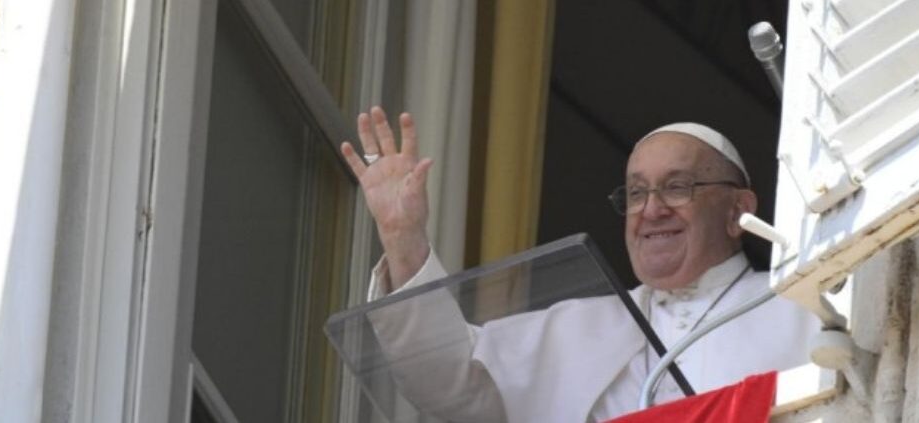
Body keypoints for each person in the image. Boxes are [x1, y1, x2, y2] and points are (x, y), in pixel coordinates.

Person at [339, 106, 819, 422]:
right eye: (636, 193)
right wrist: (403, 238)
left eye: (677, 187)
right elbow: (446, 379)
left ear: (738, 210)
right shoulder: (577, 327)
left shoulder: (802, 305)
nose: (652, 209)